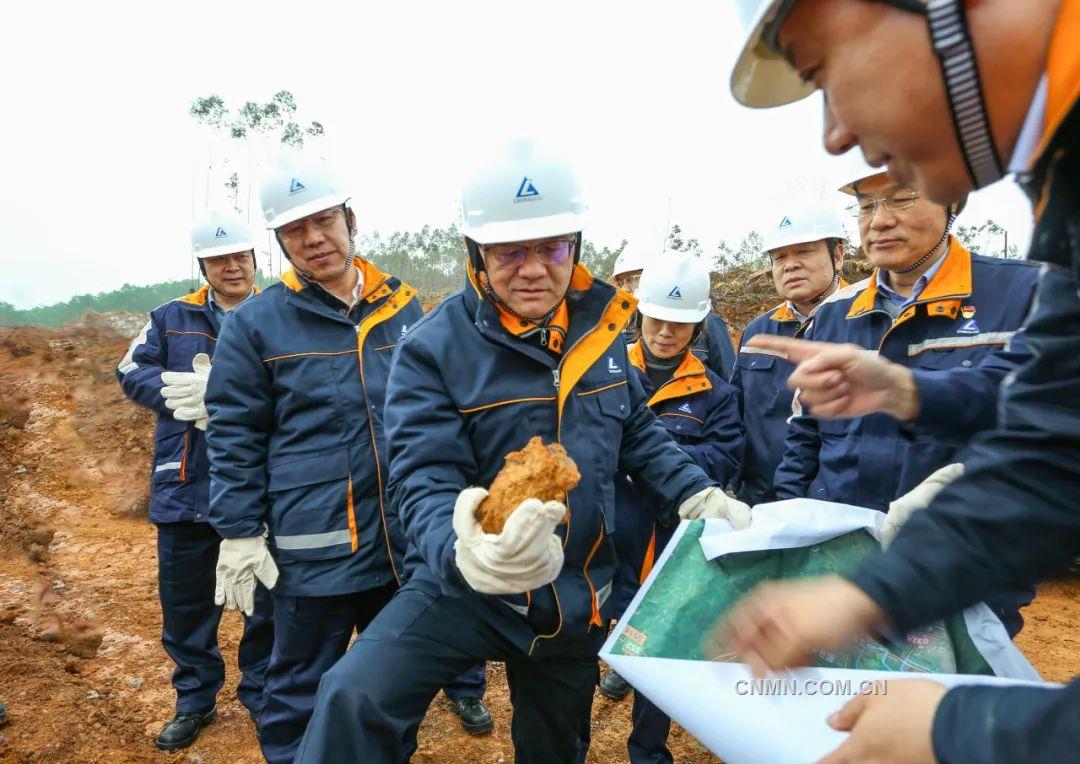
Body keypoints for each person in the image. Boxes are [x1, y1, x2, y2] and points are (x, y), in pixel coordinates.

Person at [293, 139, 751, 764]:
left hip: (572, 590)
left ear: (576, 247)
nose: (533, 269)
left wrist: (695, 489)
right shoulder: (433, 348)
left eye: (552, 248)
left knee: (555, 747)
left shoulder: (606, 331)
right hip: (469, 580)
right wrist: (464, 550)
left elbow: (636, 429)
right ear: (476, 254)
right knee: (354, 694)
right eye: (511, 251)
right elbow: (421, 476)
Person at [723, 1, 1079, 761]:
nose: (835, 135)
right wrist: (865, 595)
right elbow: (1052, 441)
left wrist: (963, 728)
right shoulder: (1065, 196)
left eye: (822, 72)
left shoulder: (1021, 276)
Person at [203, 156, 487, 764]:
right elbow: (234, 434)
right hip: (315, 547)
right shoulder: (256, 325)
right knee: (301, 691)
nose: (314, 240)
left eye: (324, 221)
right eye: (295, 232)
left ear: (350, 219)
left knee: (390, 689)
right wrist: (238, 530)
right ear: (280, 245)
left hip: (403, 544)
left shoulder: (405, 308)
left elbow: (439, 414)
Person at [773, 164, 1039, 518]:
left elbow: (1045, 424)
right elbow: (805, 434)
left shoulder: (1025, 295)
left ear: (953, 201)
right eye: (866, 206)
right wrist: (790, 514)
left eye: (901, 199)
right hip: (841, 545)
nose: (878, 221)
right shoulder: (833, 316)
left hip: (964, 546)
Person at [116, 210, 273, 751]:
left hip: (261, 486)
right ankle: (194, 699)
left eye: (240, 256)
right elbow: (130, 370)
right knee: (185, 604)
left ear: (255, 259)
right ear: (203, 264)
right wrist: (178, 392)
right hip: (187, 484)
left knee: (266, 599)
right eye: (219, 259)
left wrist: (235, 402)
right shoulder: (169, 318)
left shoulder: (280, 314)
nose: (232, 266)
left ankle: (263, 694)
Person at [604, 254, 743, 762]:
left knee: (660, 647)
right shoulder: (605, 372)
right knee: (584, 643)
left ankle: (648, 751)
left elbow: (725, 457)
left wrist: (653, 457)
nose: (666, 331)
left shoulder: (716, 393)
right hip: (608, 535)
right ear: (638, 314)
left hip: (669, 543)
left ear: (699, 325)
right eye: (657, 318)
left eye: (681, 323)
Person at [730, 201, 848, 506]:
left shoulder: (865, 321)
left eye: (804, 252)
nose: (789, 265)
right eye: (779, 257)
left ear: (837, 255)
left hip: (838, 506)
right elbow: (734, 414)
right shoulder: (758, 332)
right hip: (761, 502)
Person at [614, 243, 737, 381]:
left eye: (630, 279)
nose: (624, 289)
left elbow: (729, 379)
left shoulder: (709, 324)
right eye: (620, 283)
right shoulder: (618, 332)